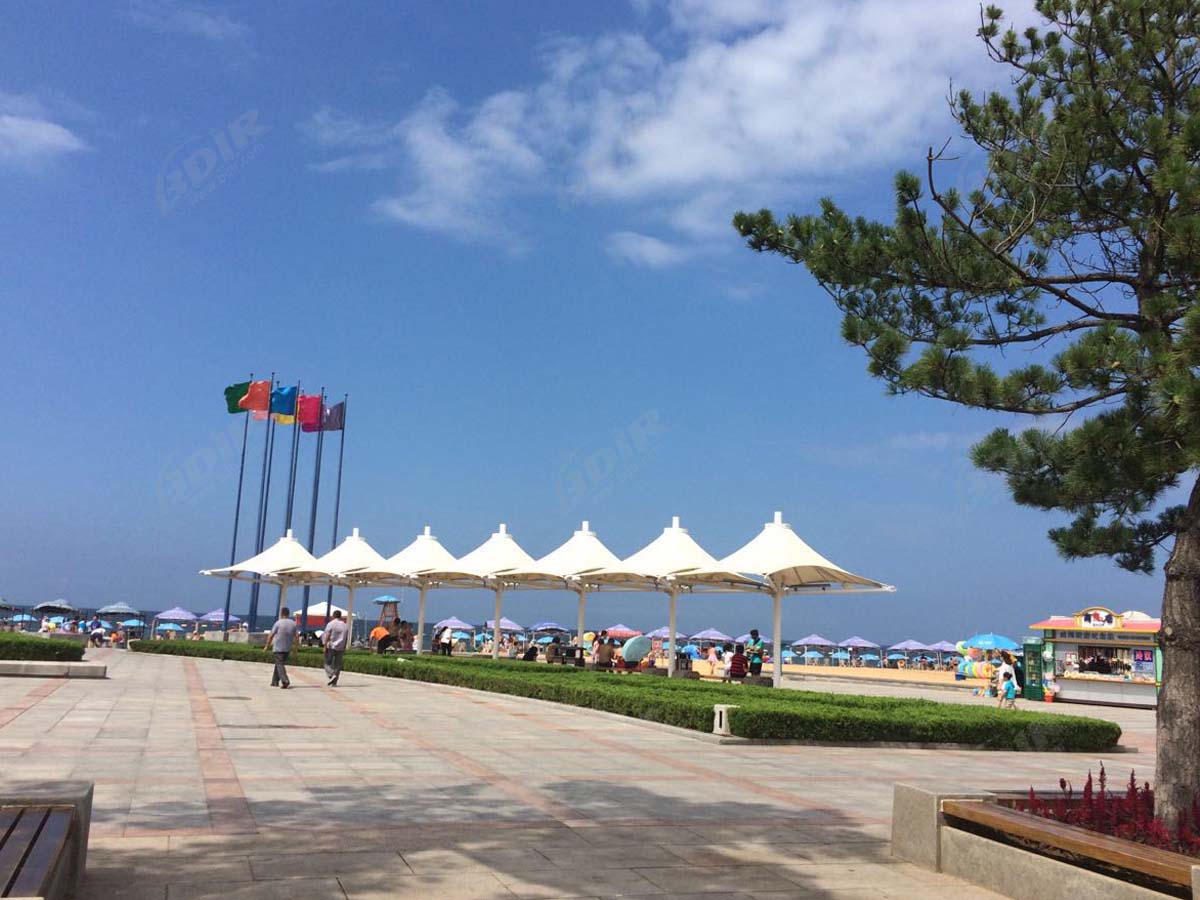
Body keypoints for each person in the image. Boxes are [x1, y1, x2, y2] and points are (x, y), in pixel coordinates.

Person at [266, 607, 299, 689]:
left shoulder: (278, 623)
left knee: (279, 664)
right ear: (288, 613)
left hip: (278, 647)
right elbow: (297, 636)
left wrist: (267, 645)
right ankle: (274, 681)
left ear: (281, 614)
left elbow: (271, 635)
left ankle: (285, 680)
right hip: (287, 647)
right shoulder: (293, 623)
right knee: (279, 663)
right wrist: (295, 648)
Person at [322, 609, 349, 687]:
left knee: (327, 663)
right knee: (337, 665)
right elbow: (346, 637)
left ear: (333, 616)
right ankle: (334, 682)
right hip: (341, 647)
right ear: (340, 616)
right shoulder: (345, 625)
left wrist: (324, 645)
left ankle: (331, 675)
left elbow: (327, 635)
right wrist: (344, 646)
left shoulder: (331, 624)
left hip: (331, 646)